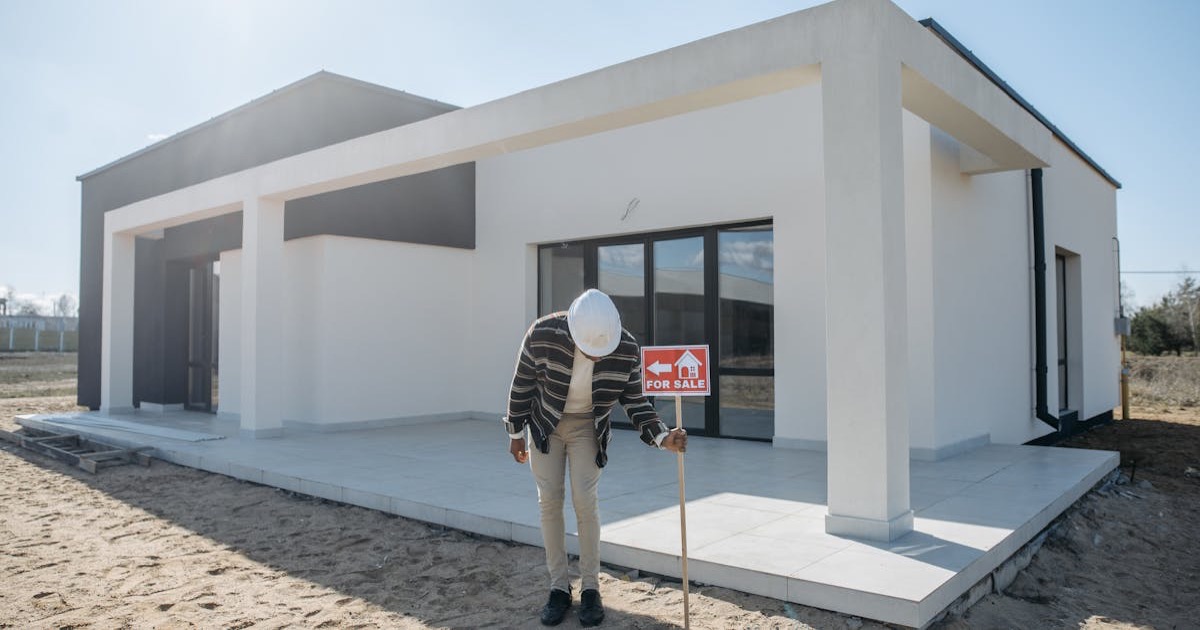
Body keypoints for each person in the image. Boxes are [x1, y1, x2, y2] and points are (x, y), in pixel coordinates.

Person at [504, 289, 687, 627]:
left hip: (589, 424)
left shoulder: (627, 348)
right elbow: (522, 383)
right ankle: (558, 588)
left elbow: (635, 401)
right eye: (591, 351)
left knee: (585, 501)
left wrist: (662, 436)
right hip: (545, 422)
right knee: (549, 502)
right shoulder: (542, 333)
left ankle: (591, 588)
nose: (598, 358)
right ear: (572, 332)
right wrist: (515, 432)